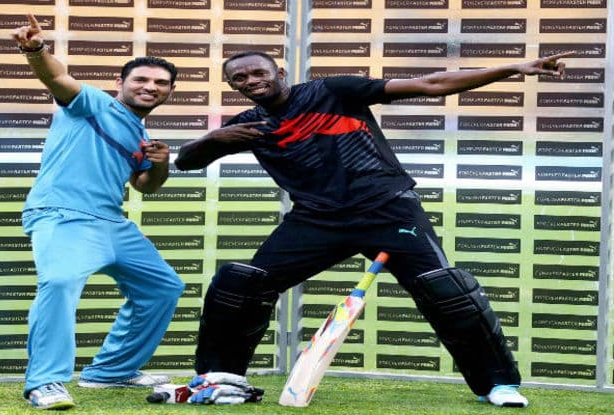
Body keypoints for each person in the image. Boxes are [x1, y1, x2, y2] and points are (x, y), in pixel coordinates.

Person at [174, 50, 571, 408]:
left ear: (279, 72)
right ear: (232, 86)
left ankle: (498, 385)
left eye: (258, 73)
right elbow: (186, 162)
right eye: (239, 79)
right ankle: (219, 380)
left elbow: (431, 84)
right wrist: (214, 138)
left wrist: (514, 68)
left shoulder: (332, 91)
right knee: (242, 284)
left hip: (388, 211)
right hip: (316, 220)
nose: (251, 81)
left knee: (445, 290)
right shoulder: (249, 124)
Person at [11, 14, 186, 410]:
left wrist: (161, 163)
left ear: (170, 91)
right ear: (119, 84)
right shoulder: (93, 104)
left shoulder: (142, 134)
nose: (150, 87)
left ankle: (111, 370)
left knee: (163, 288)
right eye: (141, 80)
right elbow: (58, 78)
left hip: (112, 222)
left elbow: (145, 186)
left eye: (160, 83)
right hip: (63, 214)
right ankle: (45, 382)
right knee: (59, 282)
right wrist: (35, 50)